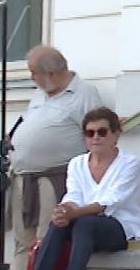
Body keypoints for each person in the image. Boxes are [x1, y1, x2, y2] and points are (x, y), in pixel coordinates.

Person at [30, 107, 140, 270]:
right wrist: (64, 211)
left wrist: (74, 212)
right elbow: (74, 195)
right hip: (86, 224)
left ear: (116, 135)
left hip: (124, 227)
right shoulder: (76, 163)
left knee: (84, 222)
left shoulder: (130, 163)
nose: (95, 138)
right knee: (60, 222)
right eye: (90, 133)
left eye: (102, 132)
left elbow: (111, 201)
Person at [9, 46, 104, 258]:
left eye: (34, 73)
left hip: (53, 178)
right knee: (22, 240)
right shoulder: (39, 94)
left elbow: (95, 136)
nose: (32, 78)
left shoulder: (84, 94)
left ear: (51, 73)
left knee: (46, 238)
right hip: (23, 179)